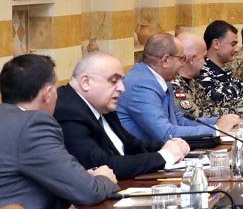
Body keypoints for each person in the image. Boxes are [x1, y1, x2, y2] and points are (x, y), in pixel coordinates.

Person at [0, 54, 119, 208]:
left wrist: (83, 179)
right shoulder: (33, 126)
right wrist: (104, 179)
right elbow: (89, 192)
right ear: (47, 94)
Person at [54, 52, 190, 179]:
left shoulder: (103, 105)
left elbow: (130, 144)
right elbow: (104, 166)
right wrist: (165, 156)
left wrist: (169, 146)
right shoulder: (68, 112)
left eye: (121, 81)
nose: (122, 88)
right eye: (113, 81)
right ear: (86, 82)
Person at [117, 33, 239, 141]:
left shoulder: (162, 79)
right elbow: (166, 133)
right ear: (165, 60)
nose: (183, 64)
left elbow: (179, 120)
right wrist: (216, 129)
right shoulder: (141, 85)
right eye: (181, 59)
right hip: (146, 156)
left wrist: (219, 121)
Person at [171, 32, 243, 119]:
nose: (205, 62)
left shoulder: (193, 83)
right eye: (203, 58)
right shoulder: (174, 85)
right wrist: (241, 110)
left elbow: (212, 105)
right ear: (192, 59)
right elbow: (194, 116)